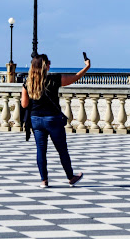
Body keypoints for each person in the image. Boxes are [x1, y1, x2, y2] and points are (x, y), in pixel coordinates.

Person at [21, 53, 90, 188]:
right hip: (52, 119)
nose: (50, 65)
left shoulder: (27, 83)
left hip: (36, 120)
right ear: (44, 66)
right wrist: (87, 67)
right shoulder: (54, 79)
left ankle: (44, 180)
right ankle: (70, 177)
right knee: (62, 149)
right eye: (48, 63)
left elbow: (24, 105)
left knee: (41, 151)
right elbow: (75, 78)